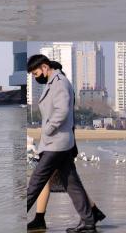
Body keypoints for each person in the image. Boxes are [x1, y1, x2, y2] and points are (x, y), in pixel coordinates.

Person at [26, 54, 102, 233]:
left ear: (45, 68)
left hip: (56, 144)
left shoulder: (59, 82)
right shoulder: (54, 82)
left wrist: (48, 130)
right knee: (72, 183)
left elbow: (62, 110)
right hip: (59, 143)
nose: (36, 78)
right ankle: (89, 222)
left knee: (35, 183)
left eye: (36, 74)